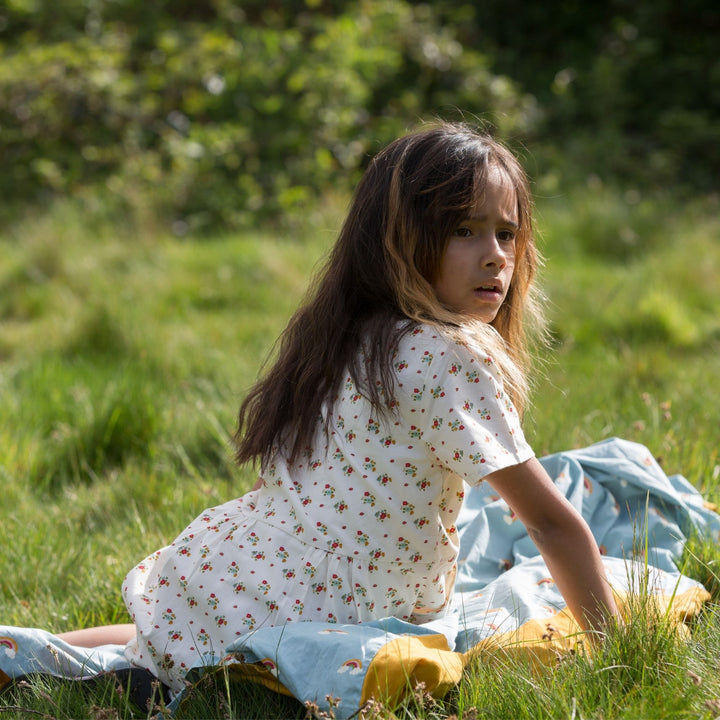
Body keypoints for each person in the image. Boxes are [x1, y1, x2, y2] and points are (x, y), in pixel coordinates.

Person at [59, 122, 619, 691]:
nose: (495, 256)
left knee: (143, 642)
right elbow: (551, 524)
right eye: (464, 230)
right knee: (548, 588)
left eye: (506, 234)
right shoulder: (447, 356)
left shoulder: (352, 331)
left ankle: (34, 647)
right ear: (399, 240)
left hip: (240, 574)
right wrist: (623, 658)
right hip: (331, 613)